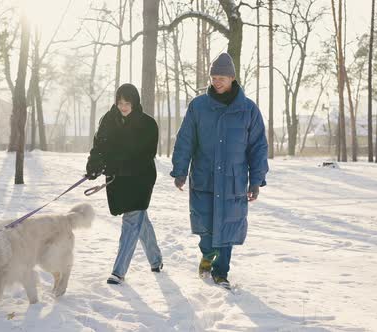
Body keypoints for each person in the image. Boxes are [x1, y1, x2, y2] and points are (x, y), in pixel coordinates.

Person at [170, 53, 269, 289]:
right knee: (206, 227)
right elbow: (185, 140)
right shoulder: (199, 106)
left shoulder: (248, 109)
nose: (217, 82)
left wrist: (256, 181)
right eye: (214, 77)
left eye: (222, 78)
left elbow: (258, 147)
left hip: (233, 181)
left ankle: (221, 272)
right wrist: (180, 170)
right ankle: (207, 255)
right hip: (205, 177)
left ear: (233, 78)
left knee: (228, 228)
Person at [85, 83, 163, 285]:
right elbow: (99, 146)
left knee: (132, 219)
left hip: (140, 178)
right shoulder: (108, 120)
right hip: (117, 179)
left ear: (135, 102)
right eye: (120, 103)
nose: (123, 107)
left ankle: (118, 271)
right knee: (139, 219)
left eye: (127, 103)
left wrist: (118, 167)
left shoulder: (148, 124)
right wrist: (94, 165)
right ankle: (156, 260)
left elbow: (146, 155)